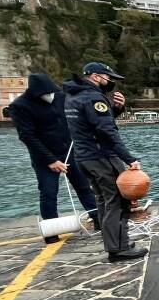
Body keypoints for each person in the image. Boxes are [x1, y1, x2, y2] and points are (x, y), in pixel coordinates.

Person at [64, 63, 147, 262]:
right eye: (107, 77)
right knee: (117, 201)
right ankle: (119, 248)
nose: (110, 81)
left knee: (103, 201)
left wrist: (116, 109)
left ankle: (116, 243)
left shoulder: (73, 96)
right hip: (101, 157)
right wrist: (129, 158)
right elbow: (106, 131)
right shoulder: (93, 97)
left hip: (85, 157)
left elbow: (93, 123)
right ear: (95, 76)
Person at [7, 73, 100, 244]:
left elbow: (77, 118)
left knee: (84, 187)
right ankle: (51, 231)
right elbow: (27, 136)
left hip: (70, 150)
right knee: (49, 192)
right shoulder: (19, 106)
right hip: (44, 157)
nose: (50, 95)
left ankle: (98, 220)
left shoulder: (61, 97)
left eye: (52, 91)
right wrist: (50, 160)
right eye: (46, 93)